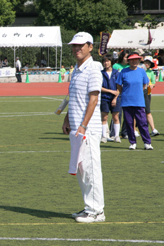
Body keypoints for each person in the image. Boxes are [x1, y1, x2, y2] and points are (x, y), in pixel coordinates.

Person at [62, 32, 105, 223]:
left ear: (90, 46)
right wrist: (67, 119)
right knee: (81, 171)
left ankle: (97, 211)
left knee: (91, 170)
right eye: (74, 45)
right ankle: (89, 207)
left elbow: (94, 99)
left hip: (88, 129)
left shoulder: (94, 68)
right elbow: (75, 99)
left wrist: (83, 125)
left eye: (80, 45)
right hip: (77, 129)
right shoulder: (77, 69)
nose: (76, 48)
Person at [116, 52, 152, 150]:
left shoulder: (142, 71)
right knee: (129, 123)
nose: (134, 61)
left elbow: (145, 85)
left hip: (139, 101)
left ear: (139, 60)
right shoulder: (123, 72)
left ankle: (147, 143)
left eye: (136, 59)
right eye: (132, 59)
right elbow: (119, 85)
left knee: (142, 122)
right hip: (126, 101)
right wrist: (124, 93)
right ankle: (132, 143)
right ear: (129, 61)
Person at [100, 55, 121, 143]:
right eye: (104, 61)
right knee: (104, 118)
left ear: (111, 62)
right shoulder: (100, 73)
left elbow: (119, 88)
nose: (106, 63)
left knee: (115, 117)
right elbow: (98, 87)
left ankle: (116, 136)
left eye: (108, 61)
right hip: (104, 98)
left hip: (115, 99)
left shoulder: (117, 73)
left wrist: (115, 98)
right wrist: (110, 91)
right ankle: (104, 136)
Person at [143, 56, 159, 137]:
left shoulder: (151, 72)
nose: (147, 64)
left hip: (147, 92)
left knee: (147, 111)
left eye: (148, 63)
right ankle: (135, 129)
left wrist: (152, 86)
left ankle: (153, 129)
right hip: (139, 92)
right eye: (146, 62)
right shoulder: (140, 71)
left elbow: (153, 82)